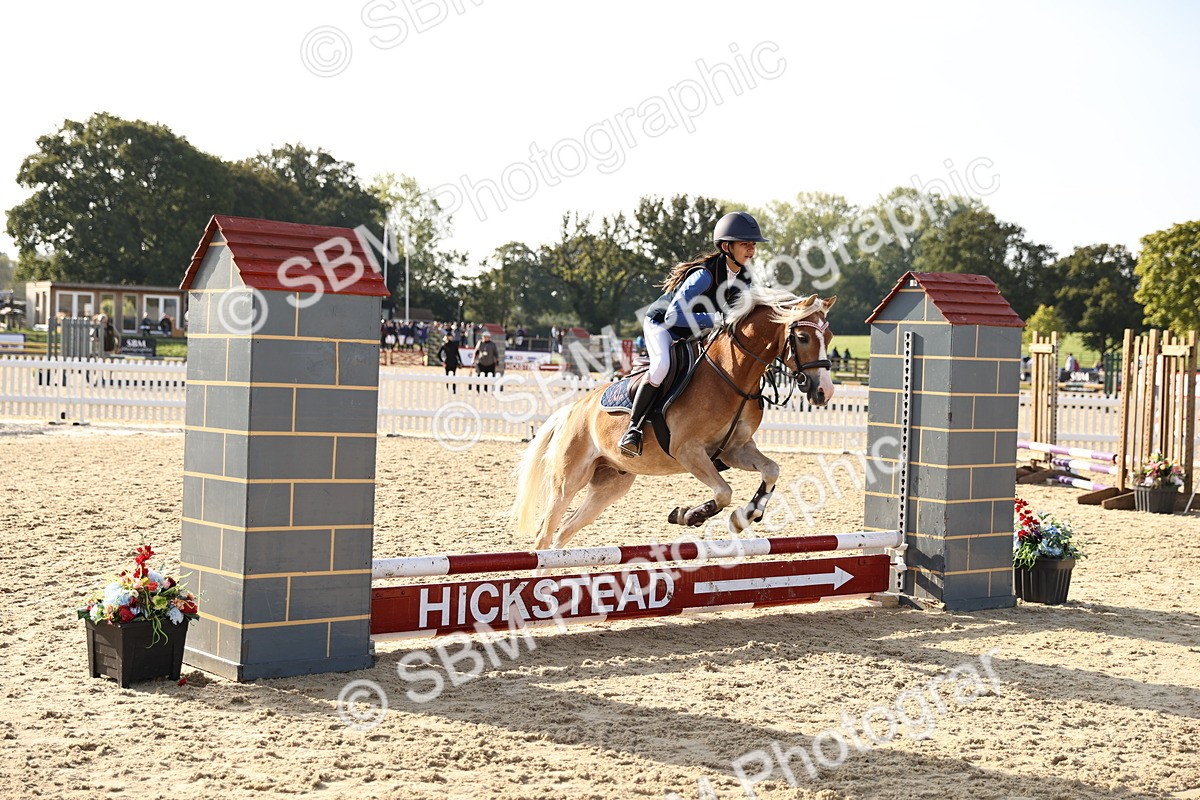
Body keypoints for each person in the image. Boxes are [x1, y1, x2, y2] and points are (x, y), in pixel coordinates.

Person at [618, 210, 767, 457]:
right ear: (726, 246)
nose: (751, 249)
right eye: (745, 244)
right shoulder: (704, 275)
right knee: (661, 366)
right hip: (663, 325)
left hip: (698, 331)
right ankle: (633, 429)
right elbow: (673, 317)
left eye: (753, 244)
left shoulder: (745, 277)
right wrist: (716, 318)